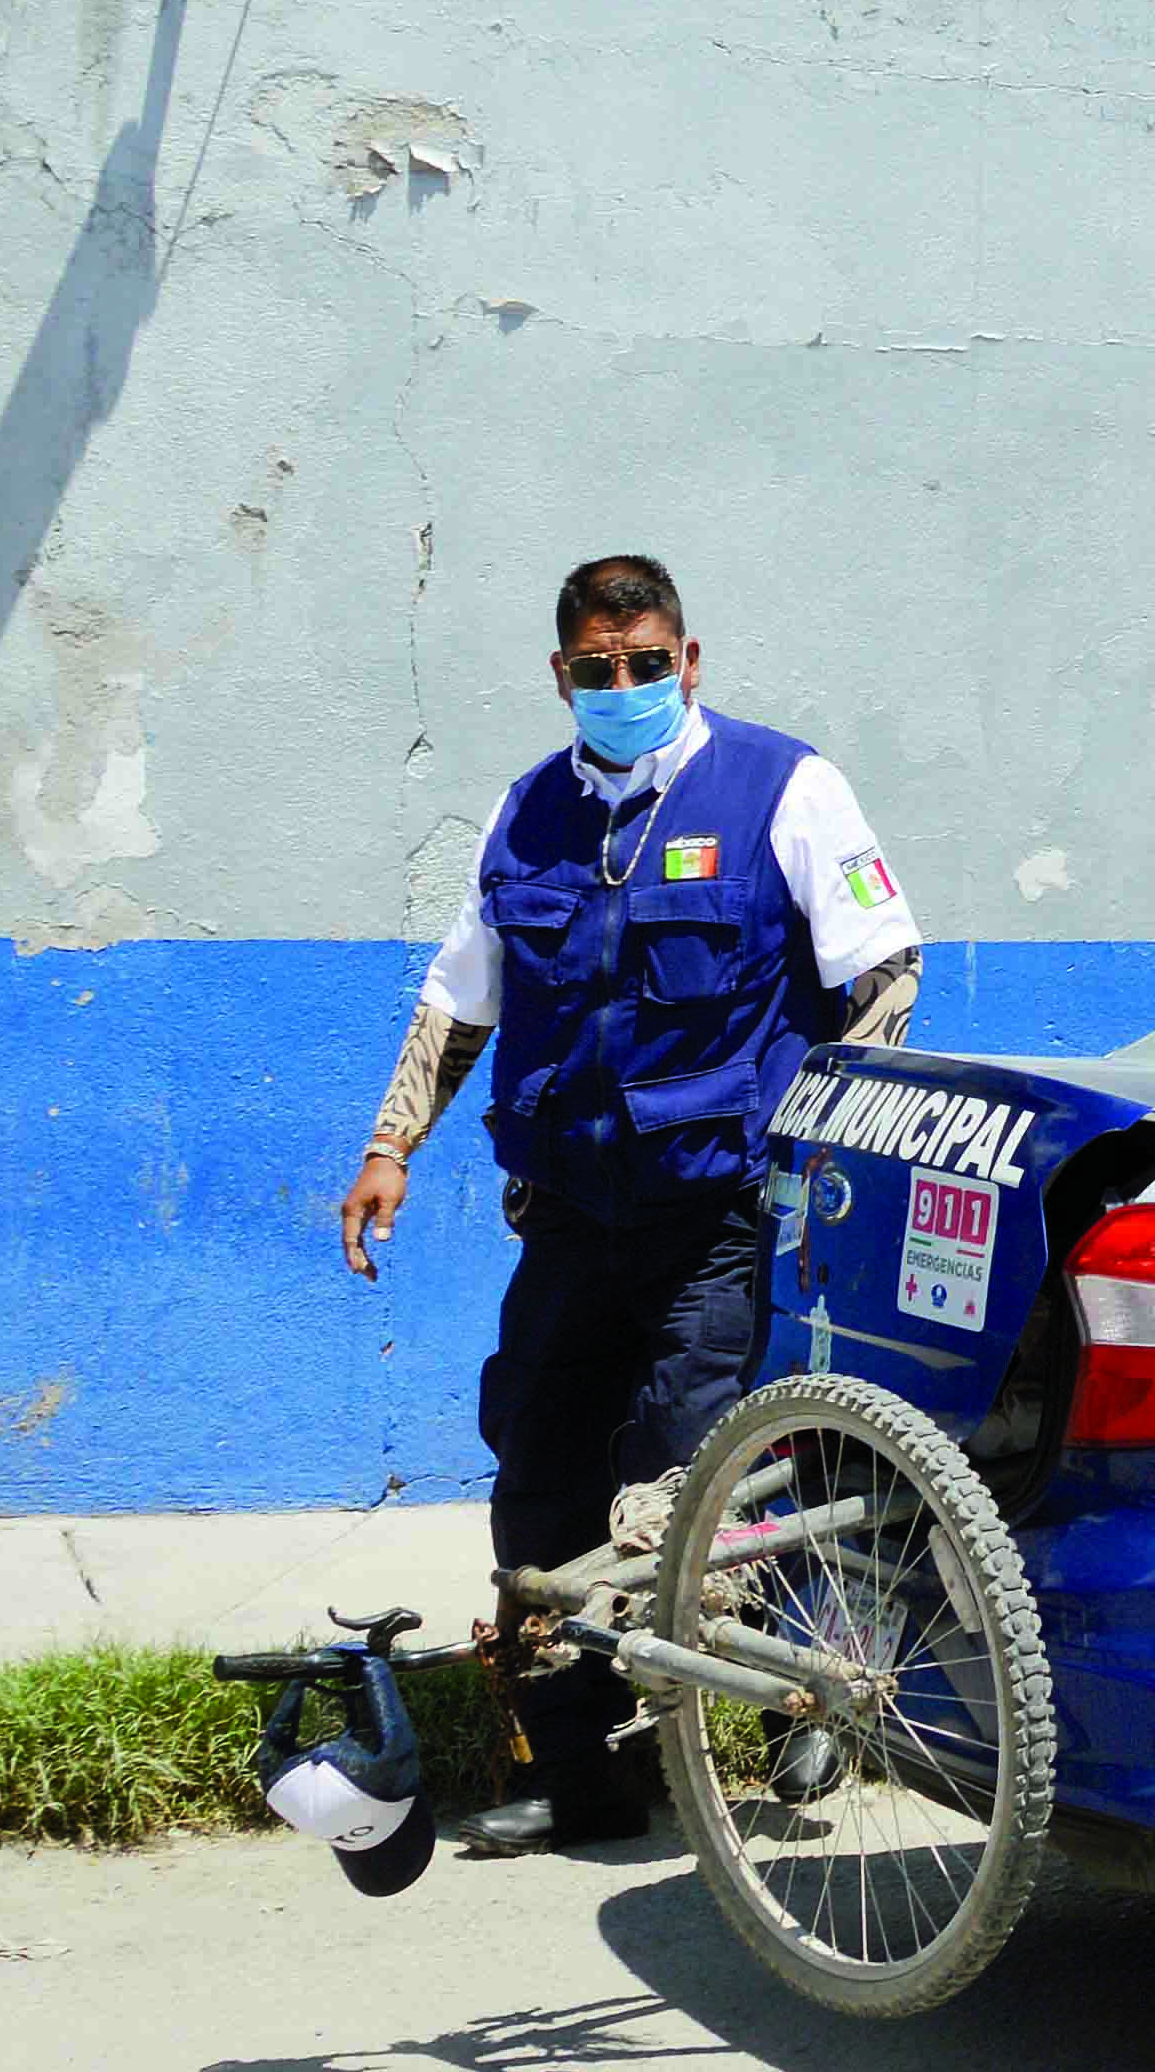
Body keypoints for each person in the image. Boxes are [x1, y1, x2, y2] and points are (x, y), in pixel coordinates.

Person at [335, 553, 921, 1855]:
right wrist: (391, 1146)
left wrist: (833, 1145)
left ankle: (794, 1686)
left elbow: (887, 968)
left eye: (648, 663)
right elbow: (459, 1001)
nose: (625, 686)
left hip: (719, 1218)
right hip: (572, 1219)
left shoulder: (785, 788)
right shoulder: (530, 811)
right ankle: (593, 1784)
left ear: (689, 660)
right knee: (540, 1484)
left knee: (684, 1470)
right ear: (563, 676)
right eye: (598, 670)